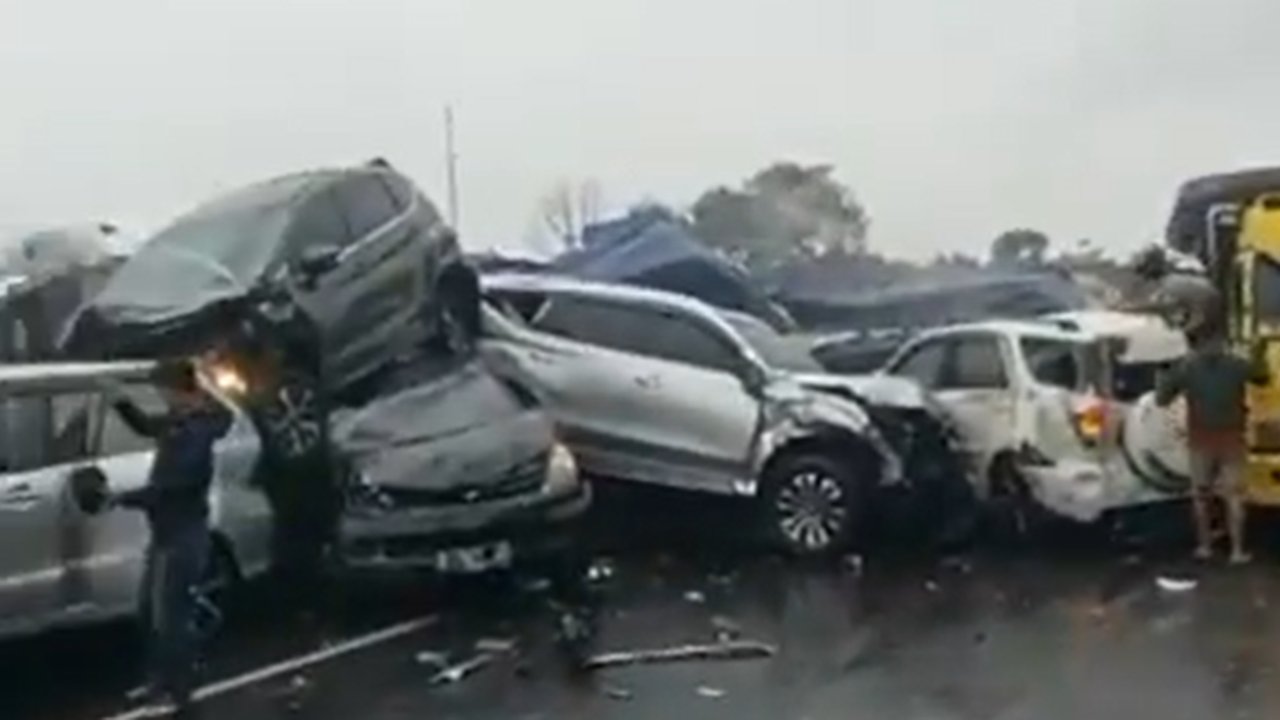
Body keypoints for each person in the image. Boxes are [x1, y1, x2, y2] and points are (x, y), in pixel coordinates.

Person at [106, 359, 231, 715]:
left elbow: (171, 488)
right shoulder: (180, 422)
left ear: (179, 390)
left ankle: (177, 691)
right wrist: (119, 402)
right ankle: (158, 681)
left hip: (183, 535)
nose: (161, 399)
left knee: (170, 617)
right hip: (165, 533)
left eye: (163, 391)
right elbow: (147, 426)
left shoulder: (197, 431)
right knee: (150, 611)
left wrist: (119, 499)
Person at [1157, 329, 1269, 564]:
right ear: (1222, 342)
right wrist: (1258, 352)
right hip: (1232, 439)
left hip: (1200, 440)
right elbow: (1263, 377)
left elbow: (1161, 399)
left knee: (1201, 495)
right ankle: (1237, 551)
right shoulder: (1236, 365)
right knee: (1235, 496)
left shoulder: (1187, 367)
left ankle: (1205, 547)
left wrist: (1163, 371)